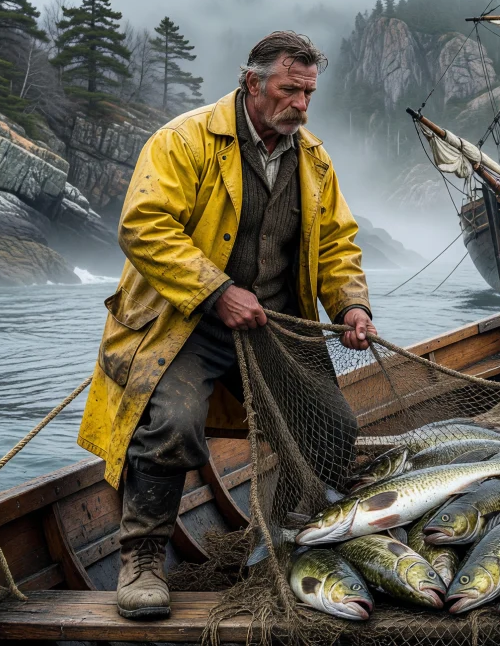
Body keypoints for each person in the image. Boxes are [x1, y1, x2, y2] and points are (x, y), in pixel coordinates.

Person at [78, 31, 376, 621]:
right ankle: (142, 558)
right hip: (183, 322)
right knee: (171, 422)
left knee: (330, 427)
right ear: (252, 83)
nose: (301, 105)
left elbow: (339, 244)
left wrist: (350, 307)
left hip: (273, 327)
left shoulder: (312, 158)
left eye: (309, 92)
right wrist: (216, 291)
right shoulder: (184, 140)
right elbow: (144, 226)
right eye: (289, 90)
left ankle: (288, 539)